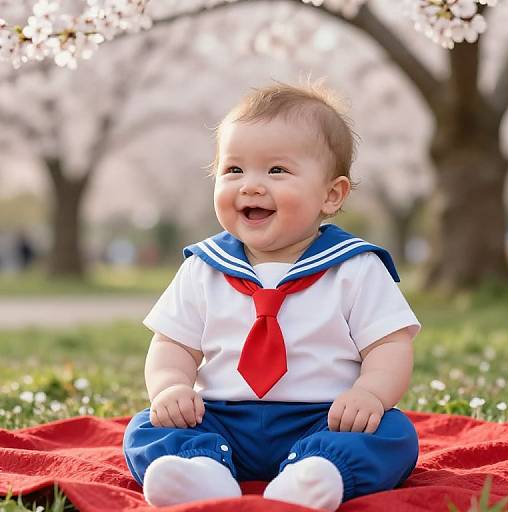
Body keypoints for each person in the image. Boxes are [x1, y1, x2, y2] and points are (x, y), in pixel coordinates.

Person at [123, 80, 421, 511]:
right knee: (146, 426)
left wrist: (370, 394)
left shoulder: (355, 266)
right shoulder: (202, 267)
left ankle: (317, 473)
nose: (251, 186)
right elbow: (173, 342)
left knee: (394, 433)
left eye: (277, 170)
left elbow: (389, 344)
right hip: (221, 417)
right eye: (233, 170)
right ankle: (199, 471)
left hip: (324, 417)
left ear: (331, 195)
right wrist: (170, 387)